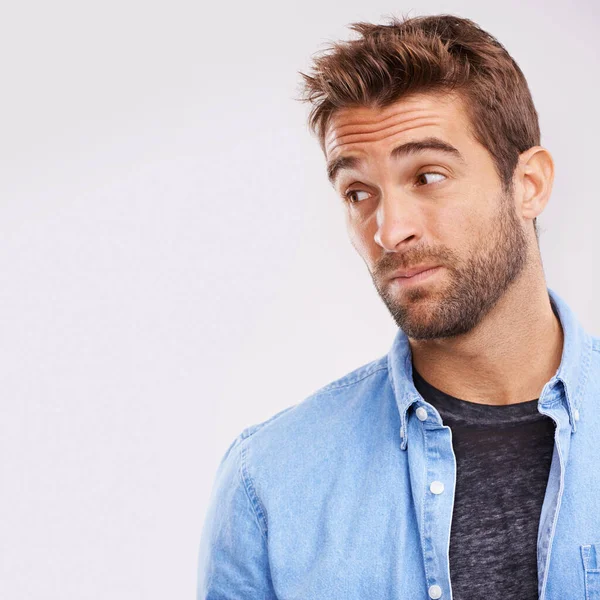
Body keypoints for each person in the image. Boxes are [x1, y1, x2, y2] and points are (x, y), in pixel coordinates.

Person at [197, 14, 600, 600]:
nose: (389, 230)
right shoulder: (270, 483)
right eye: (359, 192)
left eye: (428, 175)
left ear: (529, 184)